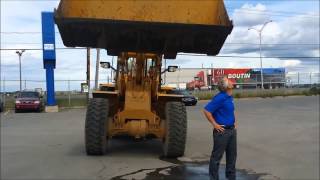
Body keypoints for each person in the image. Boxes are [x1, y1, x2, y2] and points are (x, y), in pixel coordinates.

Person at [203, 76, 237, 180]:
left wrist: (234, 122)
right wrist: (215, 124)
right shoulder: (220, 97)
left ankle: (231, 177)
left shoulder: (229, 97)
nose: (231, 81)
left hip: (231, 131)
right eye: (229, 81)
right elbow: (207, 111)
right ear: (226, 86)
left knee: (232, 157)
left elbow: (231, 110)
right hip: (222, 132)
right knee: (216, 158)